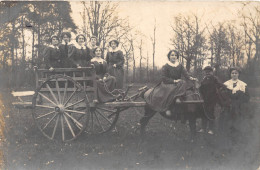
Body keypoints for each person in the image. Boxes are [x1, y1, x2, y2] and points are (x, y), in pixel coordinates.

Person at [144, 50, 197, 116]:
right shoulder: (166, 66)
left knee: (183, 83)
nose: (174, 57)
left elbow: (186, 74)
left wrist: (191, 78)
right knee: (173, 88)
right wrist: (174, 81)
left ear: (177, 57)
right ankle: (168, 107)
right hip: (167, 83)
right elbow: (164, 78)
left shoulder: (180, 66)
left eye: (175, 55)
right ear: (169, 56)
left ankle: (179, 98)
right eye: (172, 55)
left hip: (177, 83)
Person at [199, 66, 225, 135]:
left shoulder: (214, 79)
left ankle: (211, 129)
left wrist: (221, 89)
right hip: (205, 99)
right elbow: (201, 88)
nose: (207, 73)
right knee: (204, 113)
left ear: (212, 72)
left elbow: (220, 85)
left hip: (212, 98)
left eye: (209, 72)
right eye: (206, 72)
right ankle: (203, 128)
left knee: (211, 113)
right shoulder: (203, 79)